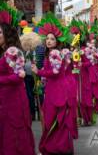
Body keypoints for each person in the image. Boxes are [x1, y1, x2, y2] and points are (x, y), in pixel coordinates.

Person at [32, 13, 74, 154]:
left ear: (57, 41)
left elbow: (55, 72)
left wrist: (39, 72)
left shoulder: (55, 53)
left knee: (54, 120)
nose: (49, 41)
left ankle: (56, 148)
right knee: (53, 121)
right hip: (53, 89)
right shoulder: (51, 53)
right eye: (47, 38)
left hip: (57, 91)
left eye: (52, 39)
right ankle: (59, 147)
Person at [0, 9, 35, 155]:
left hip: (13, 101)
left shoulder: (13, 52)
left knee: (13, 137)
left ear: (7, 34)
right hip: (4, 100)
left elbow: (17, 77)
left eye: (0, 32)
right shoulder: (3, 52)